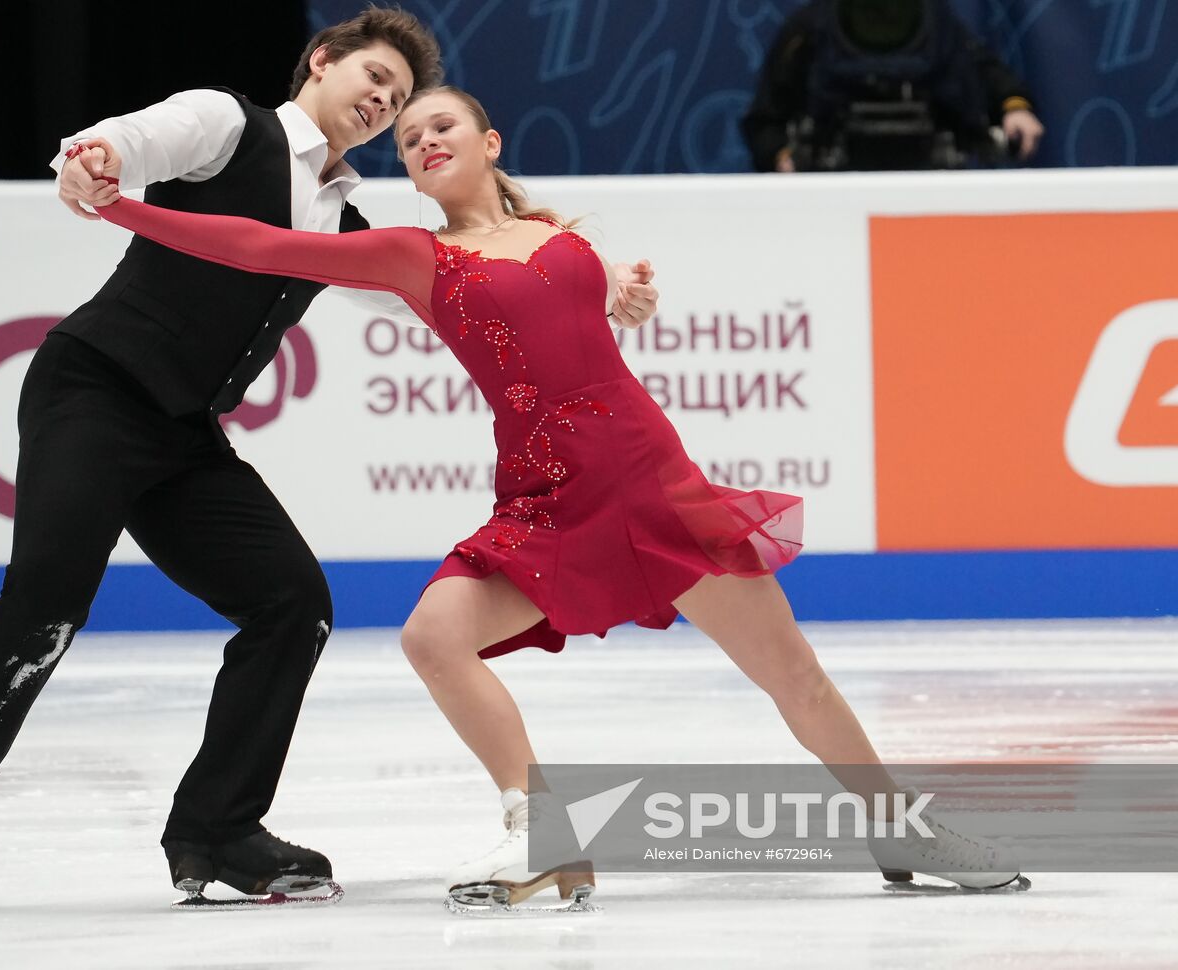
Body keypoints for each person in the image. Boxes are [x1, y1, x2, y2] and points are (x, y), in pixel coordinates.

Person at [87, 85, 1027, 908]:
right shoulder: (414, 256)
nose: (424, 143)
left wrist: (629, 291)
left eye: (441, 125)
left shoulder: (564, 237)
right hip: (548, 498)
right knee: (433, 635)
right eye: (410, 141)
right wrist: (128, 209)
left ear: (490, 143)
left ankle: (903, 829)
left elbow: (592, 299)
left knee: (794, 674)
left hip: (650, 478)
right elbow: (258, 245)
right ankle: (542, 826)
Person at [0, 6, 451, 907]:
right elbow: (135, 142)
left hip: (183, 432)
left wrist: (579, 288)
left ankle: (216, 830)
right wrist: (97, 159)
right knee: (47, 607)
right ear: (321, 61)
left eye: (402, 95)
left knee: (291, 602)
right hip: (94, 392)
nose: (384, 100)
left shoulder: (344, 221)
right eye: (373, 76)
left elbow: (449, 290)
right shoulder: (230, 125)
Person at [741, 0, 1045, 173]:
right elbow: (765, 119)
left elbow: (982, 70)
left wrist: (1014, 107)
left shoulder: (938, 23)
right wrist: (781, 158)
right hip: (827, 201)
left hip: (930, 192)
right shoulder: (809, 27)